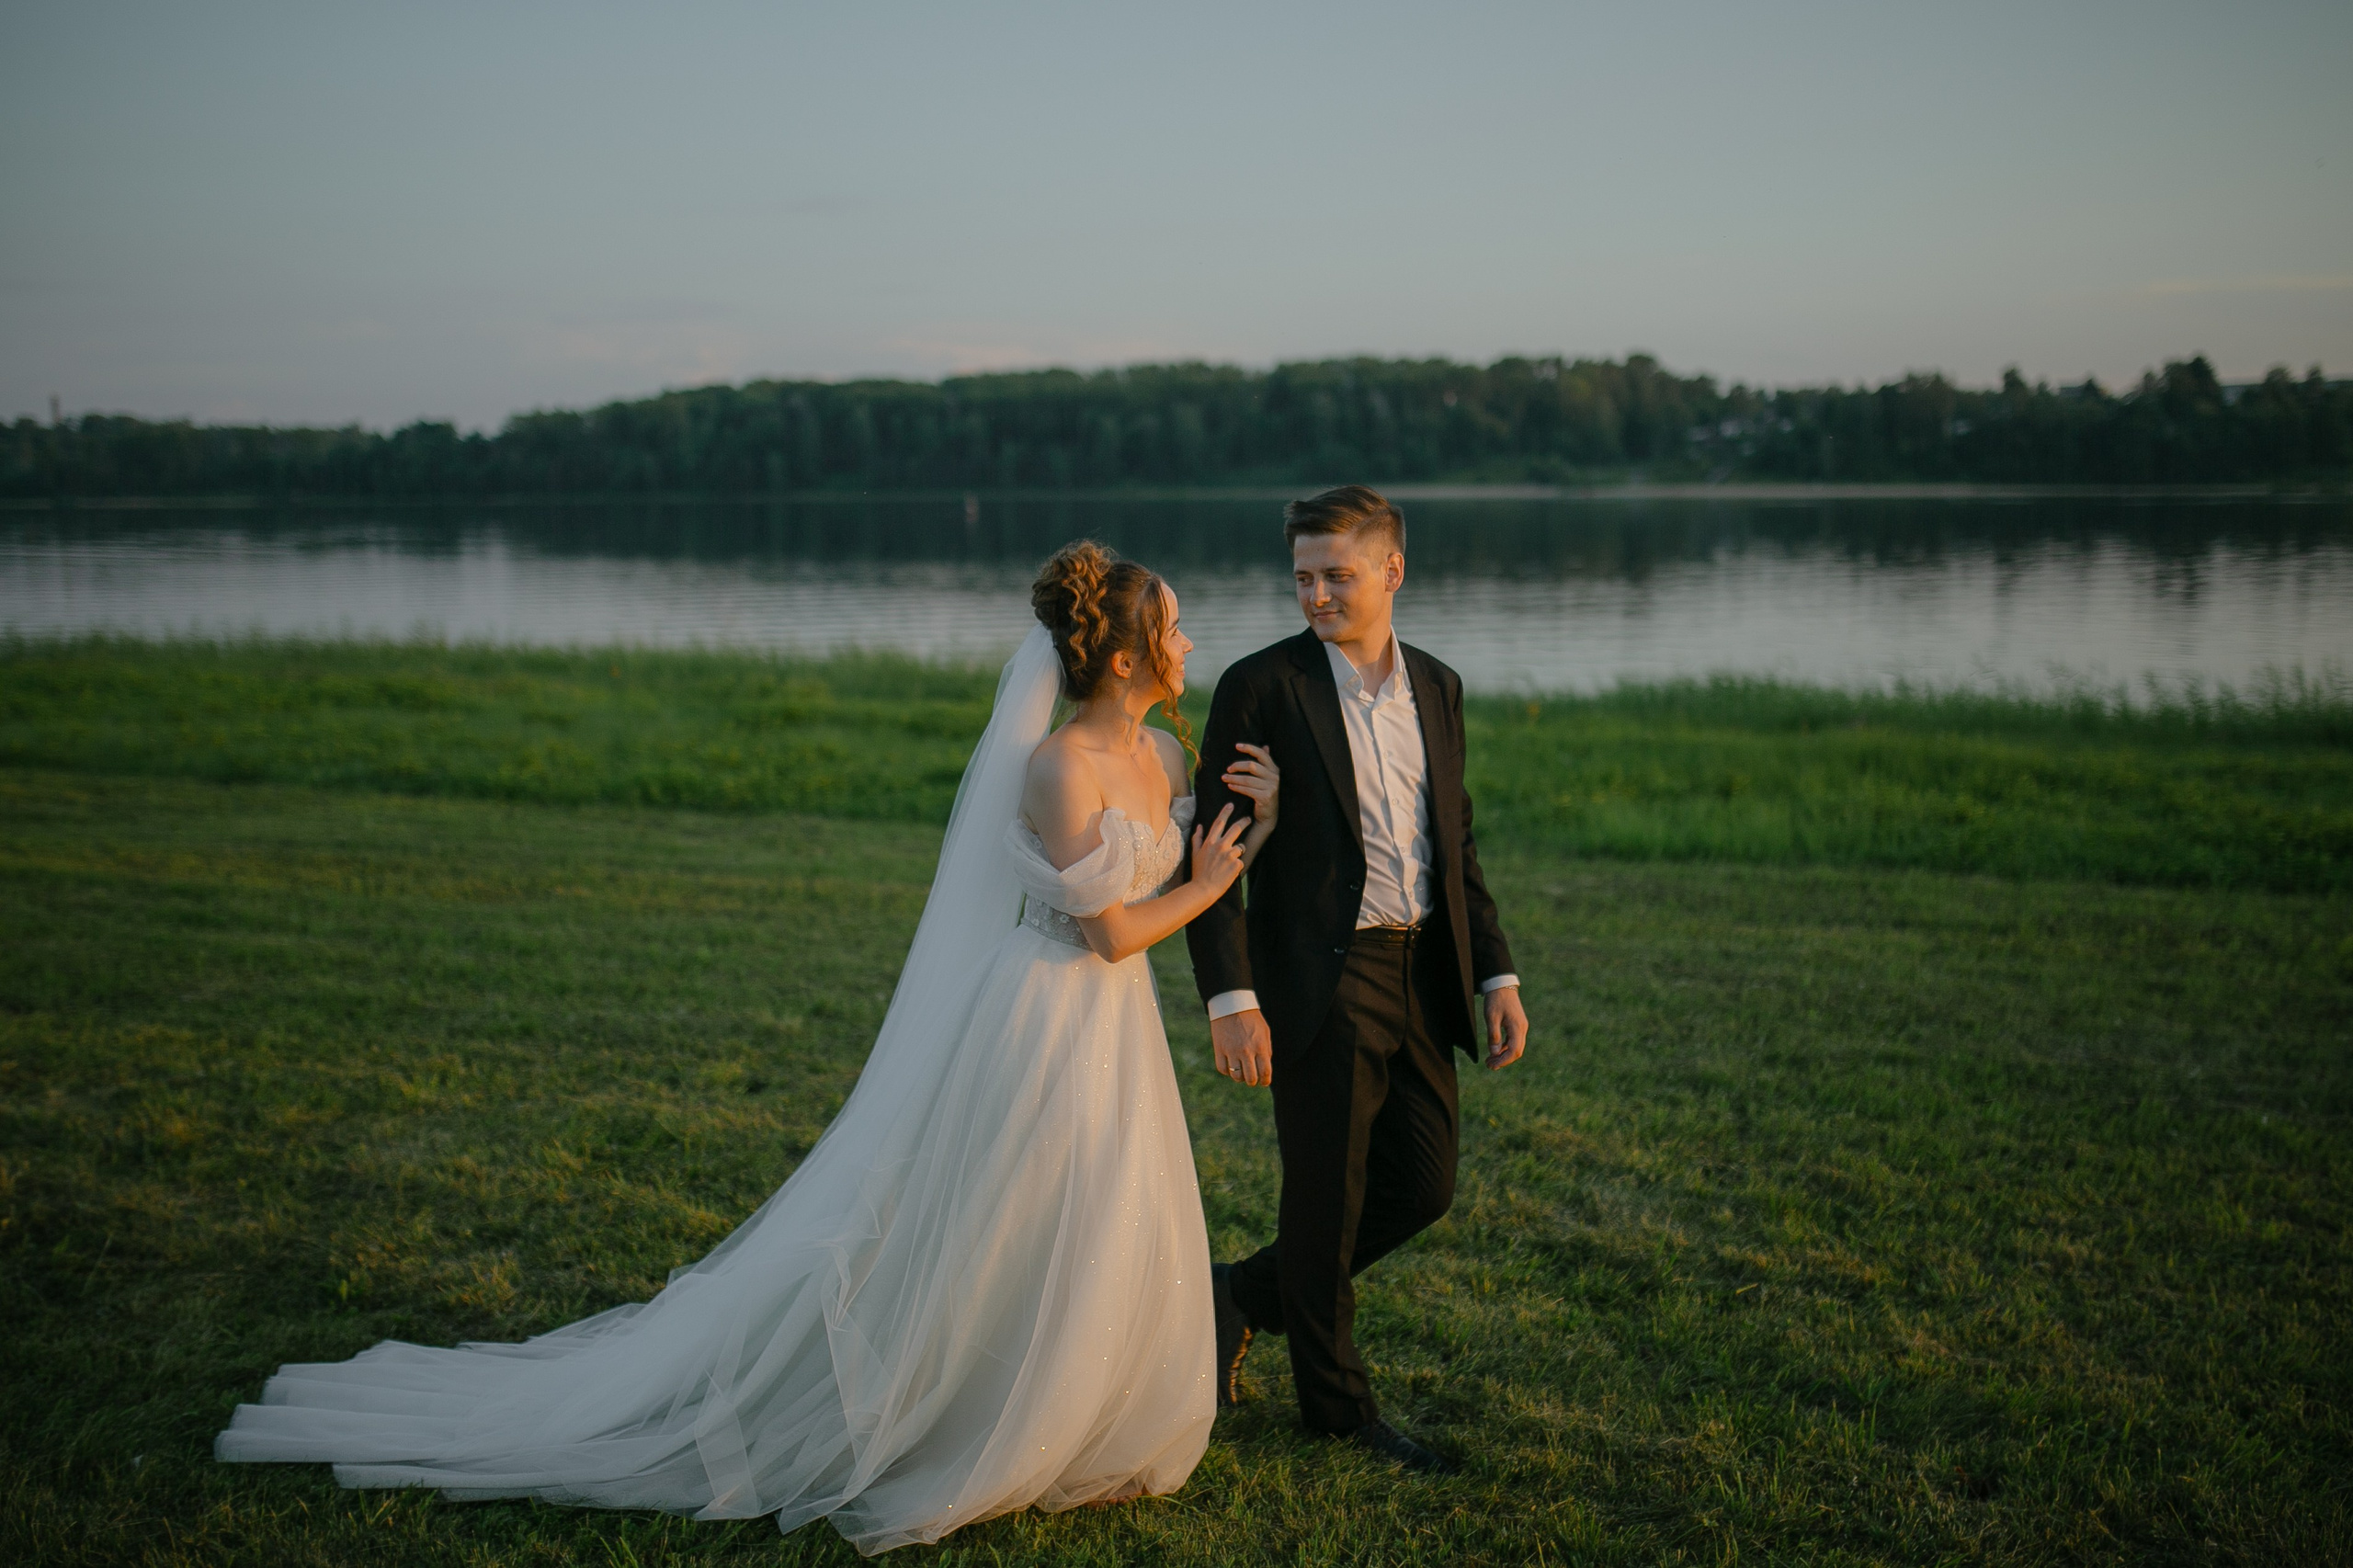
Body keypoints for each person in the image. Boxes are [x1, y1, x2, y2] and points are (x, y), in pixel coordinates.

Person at [215, 541, 1280, 1555]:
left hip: (1117, 1026)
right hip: (1044, 1013)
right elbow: (1111, 932)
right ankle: (976, 1413)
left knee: (1098, 1206)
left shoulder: (1161, 752)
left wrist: (1257, 828)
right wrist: (1204, 886)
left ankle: (1080, 1413)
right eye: (1174, 628)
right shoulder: (1058, 767)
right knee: (1014, 1213)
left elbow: (1204, 853)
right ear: (1126, 658)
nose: (1189, 643)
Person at [1187, 485, 1529, 1474]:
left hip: (1426, 968)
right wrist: (1231, 996)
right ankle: (1339, 1413)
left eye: (1337, 574)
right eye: (1303, 577)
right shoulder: (1261, 686)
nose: (1316, 595)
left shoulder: (1438, 686)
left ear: (1392, 570)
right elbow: (1210, 857)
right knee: (1325, 1200)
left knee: (1423, 1183)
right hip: (1321, 977)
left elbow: (1454, 840)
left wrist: (1496, 970)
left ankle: (1241, 1295)